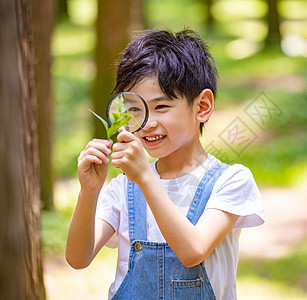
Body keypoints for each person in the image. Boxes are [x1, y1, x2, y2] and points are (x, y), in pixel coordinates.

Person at [66, 29, 264, 300]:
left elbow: (192, 251)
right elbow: (78, 258)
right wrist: (88, 192)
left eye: (161, 107)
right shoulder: (123, 187)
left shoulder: (230, 181)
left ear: (202, 106)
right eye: (135, 109)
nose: (147, 123)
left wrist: (146, 176)